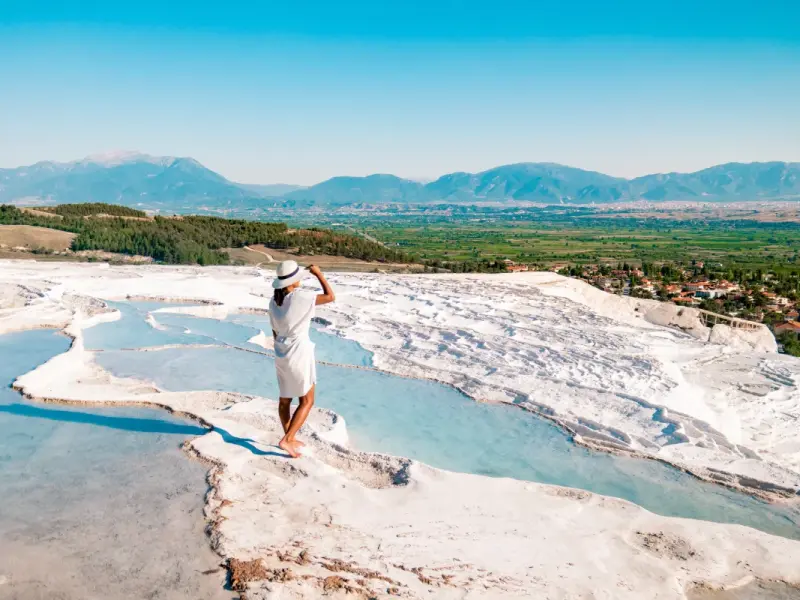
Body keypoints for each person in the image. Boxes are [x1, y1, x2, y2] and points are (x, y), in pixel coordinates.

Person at [269, 260, 335, 457]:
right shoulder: (301, 297)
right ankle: (287, 439)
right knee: (307, 400)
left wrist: (282, 348)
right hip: (299, 350)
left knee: (285, 399)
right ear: (294, 280)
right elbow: (330, 297)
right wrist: (319, 274)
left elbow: (274, 331)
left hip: (281, 350)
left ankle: (288, 437)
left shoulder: (274, 301)